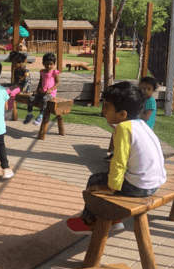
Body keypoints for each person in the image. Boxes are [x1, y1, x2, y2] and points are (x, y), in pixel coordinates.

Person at [66, 82, 167, 234]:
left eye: (107, 106)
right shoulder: (142, 124)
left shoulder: (123, 128)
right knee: (110, 176)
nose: (103, 110)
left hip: (140, 187)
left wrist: (111, 188)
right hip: (156, 182)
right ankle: (114, 220)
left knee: (95, 180)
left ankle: (88, 221)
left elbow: (119, 162)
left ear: (122, 114)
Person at [23, 52, 60, 126]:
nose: (48, 66)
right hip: (42, 91)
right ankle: (29, 114)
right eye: (46, 64)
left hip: (50, 93)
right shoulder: (42, 72)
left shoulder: (54, 72)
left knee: (44, 99)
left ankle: (41, 116)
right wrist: (37, 91)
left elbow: (58, 83)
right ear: (43, 63)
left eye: (51, 64)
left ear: (54, 64)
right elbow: (40, 81)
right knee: (31, 98)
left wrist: (50, 90)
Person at [5, 51, 31, 118]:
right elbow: (16, 81)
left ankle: (9, 110)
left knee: (12, 93)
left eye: (14, 63)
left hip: (23, 88)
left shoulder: (26, 71)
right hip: (17, 86)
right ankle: (5, 109)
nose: (13, 64)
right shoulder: (16, 70)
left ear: (20, 62)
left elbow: (28, 82)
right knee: (6, 92)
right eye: (12, 63)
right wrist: (13, 85)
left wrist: (23, 91)